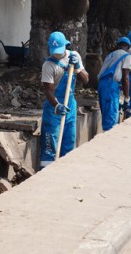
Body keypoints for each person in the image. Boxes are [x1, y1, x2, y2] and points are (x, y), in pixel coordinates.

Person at [40, 31, 89, 168]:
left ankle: (64, 171)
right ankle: (46, 175)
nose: (56, 53)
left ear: (66, 45)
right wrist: (57, 106)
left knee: (68, 143)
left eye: (59, 50)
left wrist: (78, 68)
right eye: (54, 51)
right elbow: (48, 90)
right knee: (50, 147)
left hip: (70, 106)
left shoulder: (74, 56)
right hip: (53, 108)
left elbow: (86, 80)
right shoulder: (48, 66)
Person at [97, 37, 131, 131]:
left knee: (106, 113)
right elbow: (126, 78)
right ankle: (108, 140)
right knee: (111, 119)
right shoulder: (127, 56)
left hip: (102, 85)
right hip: (110, 86)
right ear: (128, 47)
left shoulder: (110, 55)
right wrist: (127, 97)